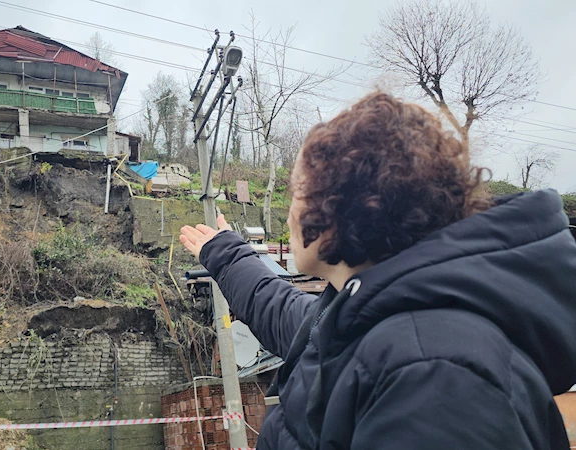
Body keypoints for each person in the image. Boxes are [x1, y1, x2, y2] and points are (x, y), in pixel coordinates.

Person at [179, 92, 576, 449]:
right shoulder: (368, 318)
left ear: (340, 204)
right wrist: (227, 253)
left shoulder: (432, 373)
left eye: (299, 190)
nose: (289, 215)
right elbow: (281, 310)